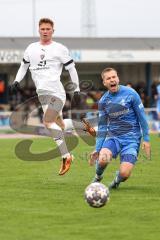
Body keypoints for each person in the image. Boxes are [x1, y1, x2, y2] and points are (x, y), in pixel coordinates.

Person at [10, 18, 95, 176]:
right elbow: (23, 67)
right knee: (60, 126)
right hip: (42, 94)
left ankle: (66, 156)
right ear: (39, 30)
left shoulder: (59, 49)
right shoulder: (31, 48)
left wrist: (76, 87)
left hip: (56, 92)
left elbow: (72, 69)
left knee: (48, 122)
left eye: (48, 29)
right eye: (42, 28)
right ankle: (84, 126)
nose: (45, 31)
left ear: (52, 31)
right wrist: (16, 80)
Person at [89, 67, 151, 189]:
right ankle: (98, 176)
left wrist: (147, 139)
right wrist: (97, 148)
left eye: (114, 77)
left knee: (125, 173)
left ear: (118, 78)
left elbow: (142, 117)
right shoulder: (103, 101)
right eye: (108, 78)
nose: (112, 80)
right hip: (114, 138)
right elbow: (102, 127)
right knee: (102, 159)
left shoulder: (131, 94)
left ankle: (117, 180)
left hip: (132, 141)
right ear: (104, 83)